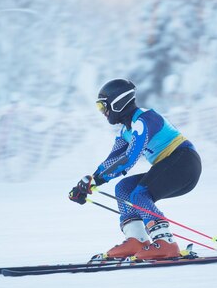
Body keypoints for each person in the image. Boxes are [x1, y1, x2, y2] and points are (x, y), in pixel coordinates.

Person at [69, 79, 202, 260]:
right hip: (172, 166)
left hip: (184, 163)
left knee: (139, 195)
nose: (103, 112)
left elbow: (129, 158)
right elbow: (113, 159)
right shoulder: (125, 130)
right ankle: (137, 240)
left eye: (103, 107)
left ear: (118, 103)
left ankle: (166, 243)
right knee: (124, 189)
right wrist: (88, 183)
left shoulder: (144, 119)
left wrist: (97, 180)